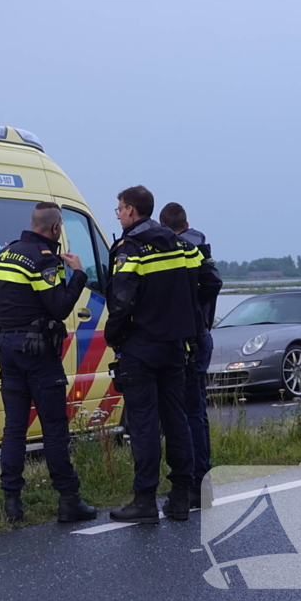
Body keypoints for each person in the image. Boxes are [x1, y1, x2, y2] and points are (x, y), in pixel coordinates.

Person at [0, 201, 97, 524]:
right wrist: (78, 276)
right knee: (54, 428)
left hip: (6, 349)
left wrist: (13, 327)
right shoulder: (43, 260)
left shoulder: (1, 256)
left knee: (14, 428)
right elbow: (59, 306)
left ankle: (12, 504)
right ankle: (69, 500)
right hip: (39, 355)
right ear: (56, 229)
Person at [105, 186, 204, 524]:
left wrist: (112, 335)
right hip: (176, 346)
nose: (118, 215)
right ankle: (180, 498)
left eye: (119, 209)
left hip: (141, 348)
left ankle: (145, 500)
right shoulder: (182, 245)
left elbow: (121, 300)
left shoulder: (130, 249)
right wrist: (192, 322)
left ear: (132, 211)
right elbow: (207, 282)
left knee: (145, 425)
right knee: (177, 421)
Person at [159, 202, 223, 508]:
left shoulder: (178, 249)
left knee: (185, 414)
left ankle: (191, 482)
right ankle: (202, 480)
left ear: (167, 228)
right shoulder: (201, 245)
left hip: (187, 340)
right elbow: (213, 284)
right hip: (203, 336)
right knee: (197, 412)